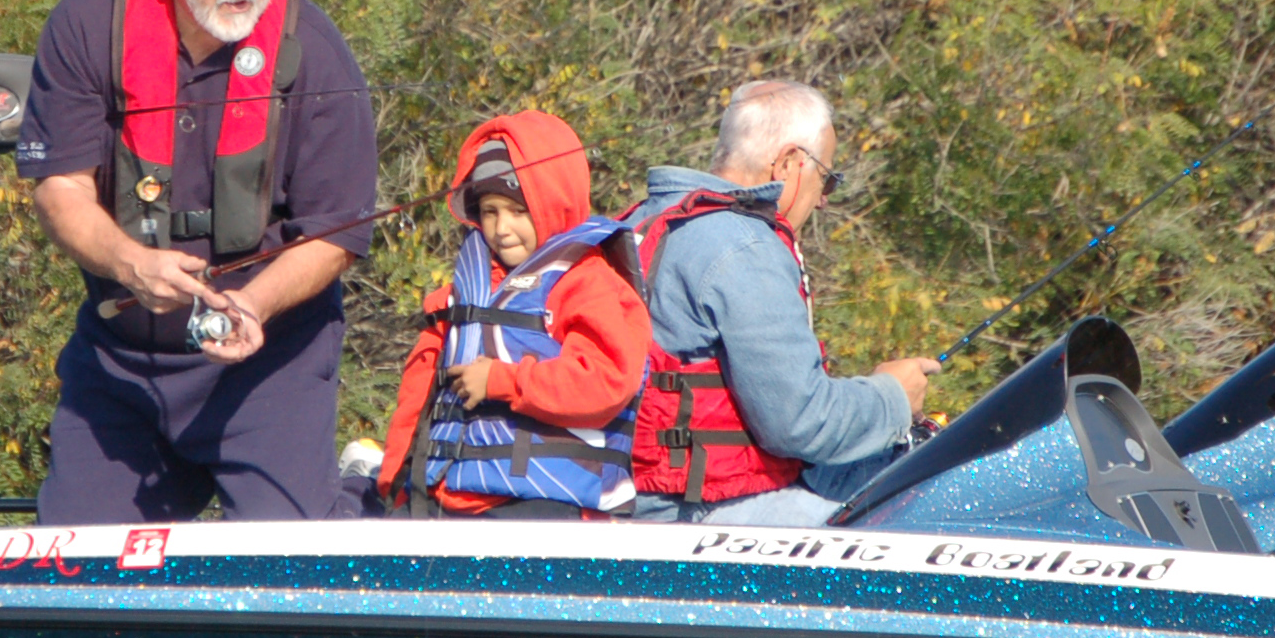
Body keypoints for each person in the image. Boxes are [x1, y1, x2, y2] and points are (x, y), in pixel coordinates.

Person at [17, 0, 381, 523]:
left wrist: (257, 304)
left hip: (270, 364)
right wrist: (129, 263)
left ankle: (359, 500)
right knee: (84, 584)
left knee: (279, 583)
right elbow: (58, 190)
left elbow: (339, 233)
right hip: (122, 363)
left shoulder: (319, 52)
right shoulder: (85, 26)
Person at [625, 80, 941, 525]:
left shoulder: (639, 221)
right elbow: (801, 424)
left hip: (636, 497)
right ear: (791, 163)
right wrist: (891, 398)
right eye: (826, 176)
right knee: (904, 523)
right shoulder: (742, 246)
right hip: (695, 513)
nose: (825, 198)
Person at [374, 113, 653, 519]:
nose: (502, 228)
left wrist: (503, 381)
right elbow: (416, 398)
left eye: (518, 211)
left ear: (553, 203)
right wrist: (394, 487)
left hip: (546, 506)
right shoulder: (458, 295)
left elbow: (607, 380)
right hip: (448, 500)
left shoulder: (589, 283)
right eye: (489, 212)